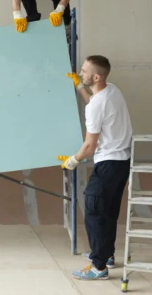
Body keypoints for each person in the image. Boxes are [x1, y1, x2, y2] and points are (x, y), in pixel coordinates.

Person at [57, 55, 132, 281]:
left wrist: (73, 160)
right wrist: (80, 86)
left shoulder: (98, 104)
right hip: (122, 162)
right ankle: (106, 255)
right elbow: (94, 104)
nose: (80, 73)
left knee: (94, 211)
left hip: (108, 163)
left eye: (84, 71)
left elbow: (90, 145)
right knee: (107, 211)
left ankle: (99, 267)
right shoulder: (112, 90)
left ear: (97, 76)